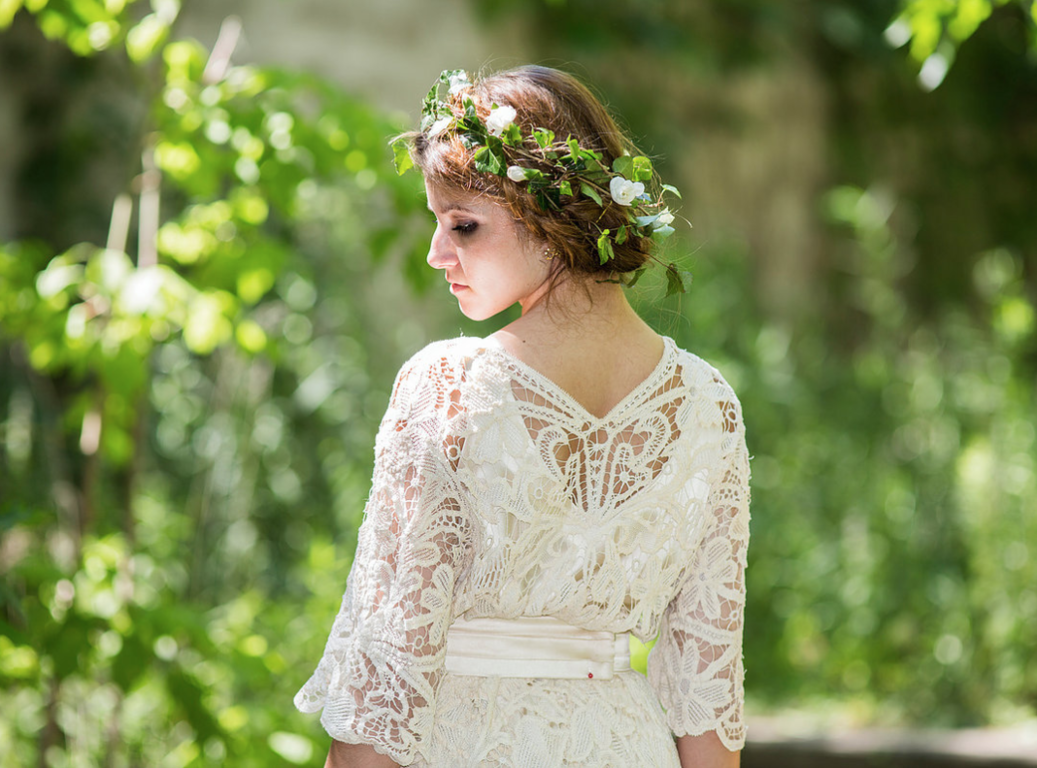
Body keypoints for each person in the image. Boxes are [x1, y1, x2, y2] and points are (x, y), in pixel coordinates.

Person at [294, 65, 750, 768]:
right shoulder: (708, 402)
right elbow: (706, 692)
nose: (435, 253)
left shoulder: (447, 387)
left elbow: (387, 670)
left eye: (463, 225)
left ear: (550, 218)